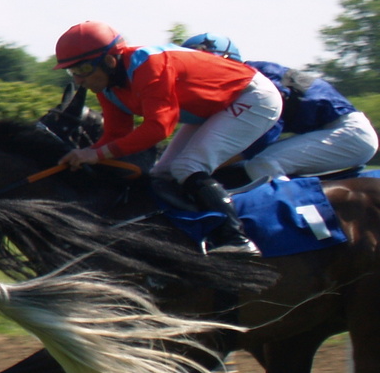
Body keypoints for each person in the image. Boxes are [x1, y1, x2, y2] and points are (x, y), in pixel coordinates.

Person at [53, 21, 281, 257]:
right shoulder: (107, 86)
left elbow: (159, 128)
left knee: (187, 167)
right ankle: (190, 234)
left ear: (110, 60)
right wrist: (85, 156)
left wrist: (96, 154)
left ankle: (236, 237)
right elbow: (116, 135)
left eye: (82, 70)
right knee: (162, 174)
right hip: (216, 107)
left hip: (253, 98)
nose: (78, 80)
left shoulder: (149, 66)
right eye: (73, 72)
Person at [180, 33, 378, 181]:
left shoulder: (260, 81)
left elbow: (265, 135)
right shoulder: (247, 79)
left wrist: (202, 167)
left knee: (263, 164)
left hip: (349, 134)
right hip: (332, 129)